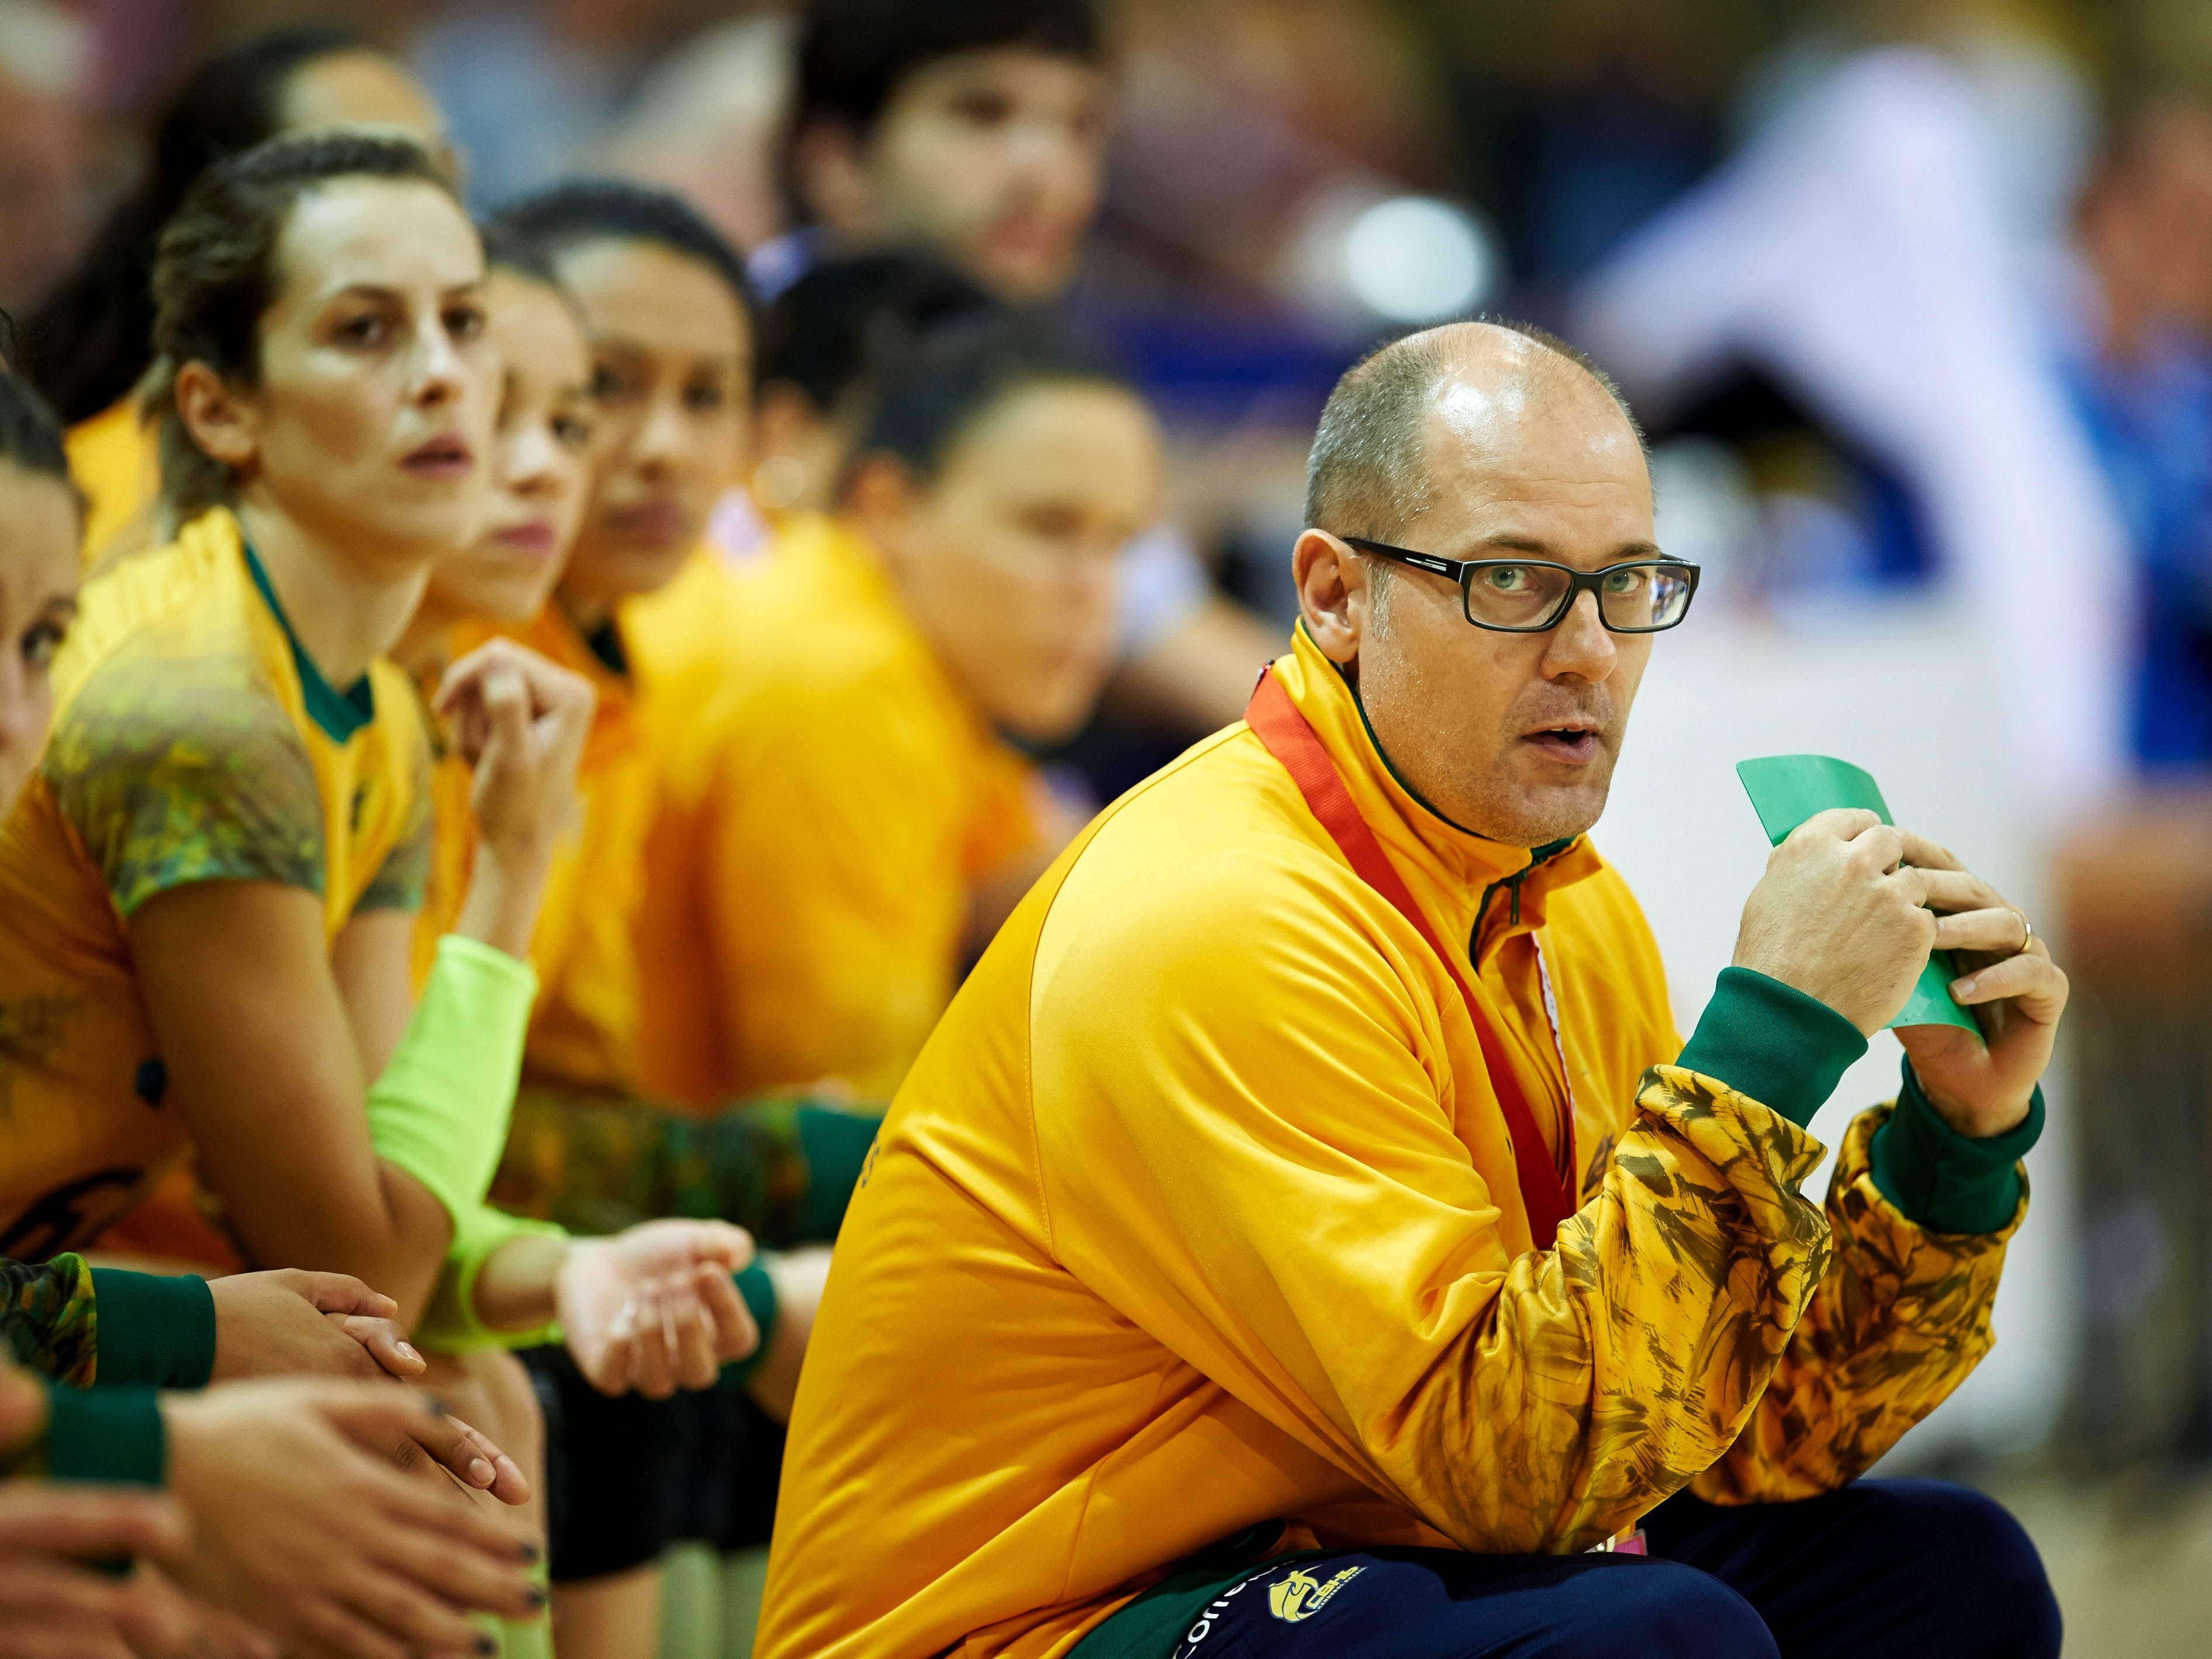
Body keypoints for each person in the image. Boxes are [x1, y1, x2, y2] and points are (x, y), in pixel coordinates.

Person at [755, 322, 2067, 1659]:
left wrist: (1948, 1145)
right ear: (1332, 595)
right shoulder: (1221, 914)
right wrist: (1771, 1039)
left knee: (1944, 1573)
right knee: (1650, 1639)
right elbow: (1513, 1463)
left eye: (1626, 584)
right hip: (1027, 1619)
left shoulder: (1558, 901)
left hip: (1339, 1534)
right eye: (1510, 579)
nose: (1587, 651)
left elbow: (1726, 1430)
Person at [0, 358, 547, 1659]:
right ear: (220, 414)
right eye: (370, 329)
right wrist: (519, 871)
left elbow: (379, 1240)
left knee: (467, 1411)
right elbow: (371, 1240)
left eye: (559, 408)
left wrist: (588, 1271)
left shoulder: (392, 716)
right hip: (142, 1273)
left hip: (130, 1284)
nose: (507, 438)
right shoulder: (198, 721)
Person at [644, 313, 1160, 1112]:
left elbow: (1048, 873)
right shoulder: (842, 684)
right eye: (1051, 528)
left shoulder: (875, 638)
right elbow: (848, 1110)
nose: (1095, 590)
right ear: (889, 508)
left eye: (1120, 542)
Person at [768, 0, 1280, 737]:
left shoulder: (1035, 391)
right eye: (982, 114)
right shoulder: (716, 358)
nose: (1048, 173)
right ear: (839, 159)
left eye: (1080, 127)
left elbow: (1215, 669)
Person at [20, 26, 448, 563]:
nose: (434, 217)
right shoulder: (105, 519)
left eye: (445, 178)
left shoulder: (468, 494)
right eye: (364, 178)